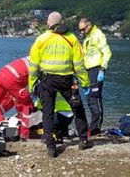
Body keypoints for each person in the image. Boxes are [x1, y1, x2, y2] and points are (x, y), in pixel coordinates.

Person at [28, 11, 93, 158]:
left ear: (48, 23)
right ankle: (83, 140)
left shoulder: (41, 39)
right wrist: (85, 83)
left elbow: (33, 66)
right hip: (67, 80)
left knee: (48, 113)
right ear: (62, 22)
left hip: (47, 80)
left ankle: (51, 147)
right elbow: (79, 64)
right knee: (78, 109)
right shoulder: (71, 39)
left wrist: (31, 84)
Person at [0, 57, 34, 139]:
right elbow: (19, 102)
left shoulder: (31, 58)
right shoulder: (40, 64)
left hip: (1, 74)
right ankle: (24, 133)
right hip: (12, 79)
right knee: (27, 103)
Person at [78, 18, 112, 136]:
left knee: (95, 97)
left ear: (89, 25)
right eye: (80, 30)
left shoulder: (98, 35)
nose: (81, 32)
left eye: (83, 29)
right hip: (88, 70)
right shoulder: (87, 37)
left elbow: (107, 52)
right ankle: (93, 126)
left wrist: (102, 69)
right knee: (90, 99)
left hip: (96, 69)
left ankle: (95, 128)